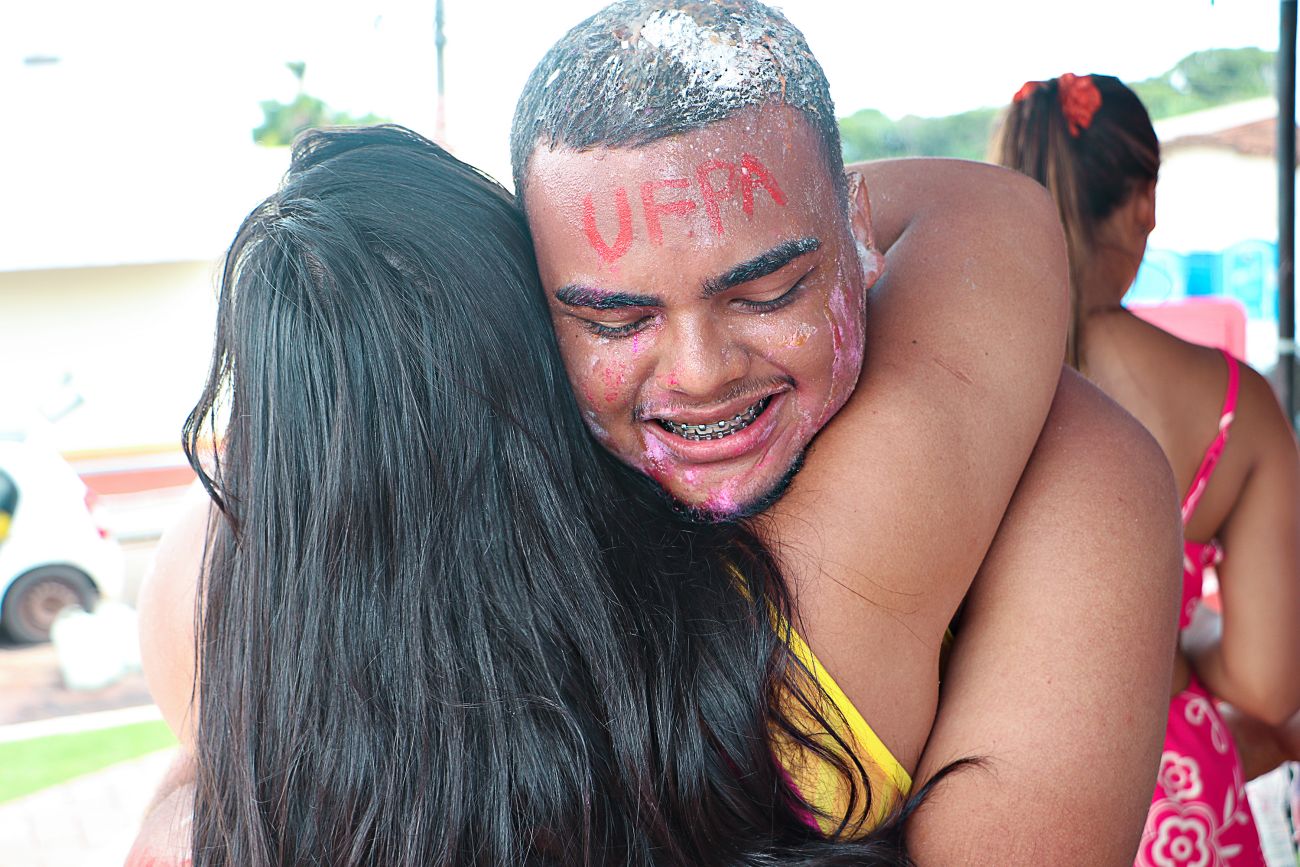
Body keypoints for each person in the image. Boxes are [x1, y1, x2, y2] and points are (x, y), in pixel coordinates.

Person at [509, 1, 1178, 861]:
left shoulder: (1078, 471)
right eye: (617, 320)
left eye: (766, 292)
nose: (701, 372)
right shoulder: (498, 549)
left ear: (862, 233)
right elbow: (986, 207)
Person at [994, 72, 1300, 866]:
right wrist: (1177, 635)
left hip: (994, 789)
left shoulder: (963, 385)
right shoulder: (1236, 405)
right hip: (1171, 794)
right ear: (1143, 205)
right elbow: (1268, 683)